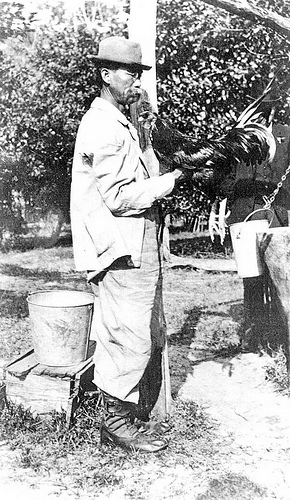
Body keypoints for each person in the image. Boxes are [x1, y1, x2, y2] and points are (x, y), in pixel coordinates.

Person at [70, 36, 183, 453]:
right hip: (120, 245)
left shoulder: (122, 122)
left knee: (136, 328)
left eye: (138, 72)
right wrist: (171, 182)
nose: (135, 80)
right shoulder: (102, 125)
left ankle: (131, 411)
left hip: (136, 240)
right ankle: (115, 424)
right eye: (127, 72)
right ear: (105, 75)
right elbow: (119, 196)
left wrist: (148, 132)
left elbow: (139, 175)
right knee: (127, 334)